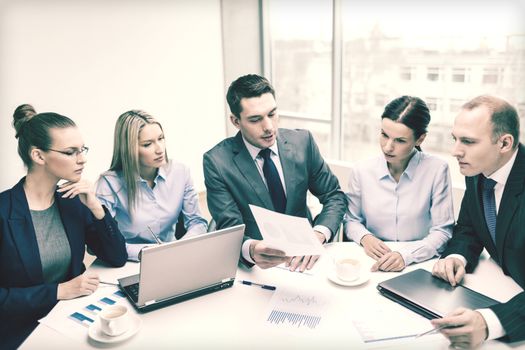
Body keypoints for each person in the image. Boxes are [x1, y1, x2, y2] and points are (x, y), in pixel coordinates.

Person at [0, 104, 127, 349]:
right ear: (38, 156)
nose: (82, 159)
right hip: (23, 329)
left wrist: (96, 207)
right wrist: (58, 291)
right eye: (71, 152)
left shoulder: (72, 200)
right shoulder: (4, 211)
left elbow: (116, 257)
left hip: (73, 317)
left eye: (82, 150)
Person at [203, 74, 347, 272]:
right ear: (236, 121)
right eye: (255, 119)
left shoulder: (303, 142)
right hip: (256, 269)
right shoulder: (217, 162)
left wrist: (319, 233)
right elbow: (230, 228)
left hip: (307, 259)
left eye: (272, 114)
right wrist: (251, 249)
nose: (269, 127)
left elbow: (334, 196)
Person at [431, 95, 525, 347]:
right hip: (499, 285)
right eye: (455, 139)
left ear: (504, 143)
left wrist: (490, 323)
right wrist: (457, 257)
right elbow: (469, 228)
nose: (455, 151)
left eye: (468, 142)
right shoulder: (478, 169)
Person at [344, 96, 454, 272]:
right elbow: (351, 220)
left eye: (400, 141)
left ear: (420, 139)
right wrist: (365, 237)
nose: (388, 147)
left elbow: (443, 232)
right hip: (369, 261)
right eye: (384, 135)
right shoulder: (362, 170)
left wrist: (407, 255)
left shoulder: (437, 170)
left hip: (418, 263)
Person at [96, 110, 208, 261]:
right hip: (129, 262)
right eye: (147, 144)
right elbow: (104, 243)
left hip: (172, 258)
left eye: (161, 138)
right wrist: (146, 252)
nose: (159, 149)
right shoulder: (109, 184)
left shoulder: (180, 172)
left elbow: (197, 222)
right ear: (129, 150)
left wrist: (181, 247)